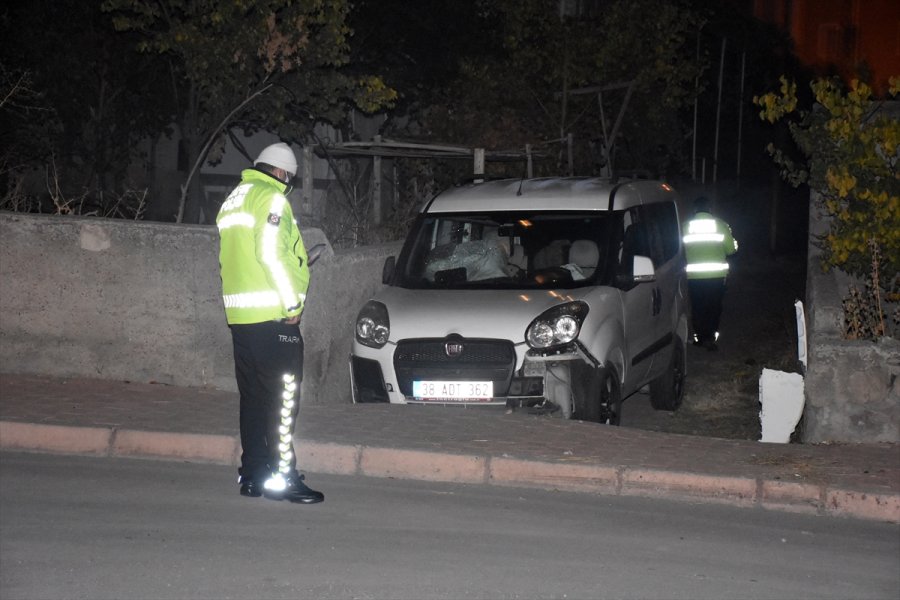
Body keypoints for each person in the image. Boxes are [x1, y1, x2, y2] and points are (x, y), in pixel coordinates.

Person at [216, 142, 324, 504]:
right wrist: (292, 303)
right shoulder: (271, 199)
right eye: (289, 180)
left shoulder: (234, 198)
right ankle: (283, 477)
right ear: (281, 173)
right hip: (273, 317)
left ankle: (253, 475)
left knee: (254, 400)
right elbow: (270, 255)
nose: (287, 186)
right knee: (282, 401)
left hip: (241, 319)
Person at [682, 196, 738, 351]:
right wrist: (735, 243)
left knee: (698, 306)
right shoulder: (721, 225)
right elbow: (731, 250)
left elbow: (679, 250)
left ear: (694, 210)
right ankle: (710, 337)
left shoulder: (685, 227)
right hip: (716, 276)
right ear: (710, 209)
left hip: (694, 277)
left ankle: (700, 336)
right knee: (714, 306)